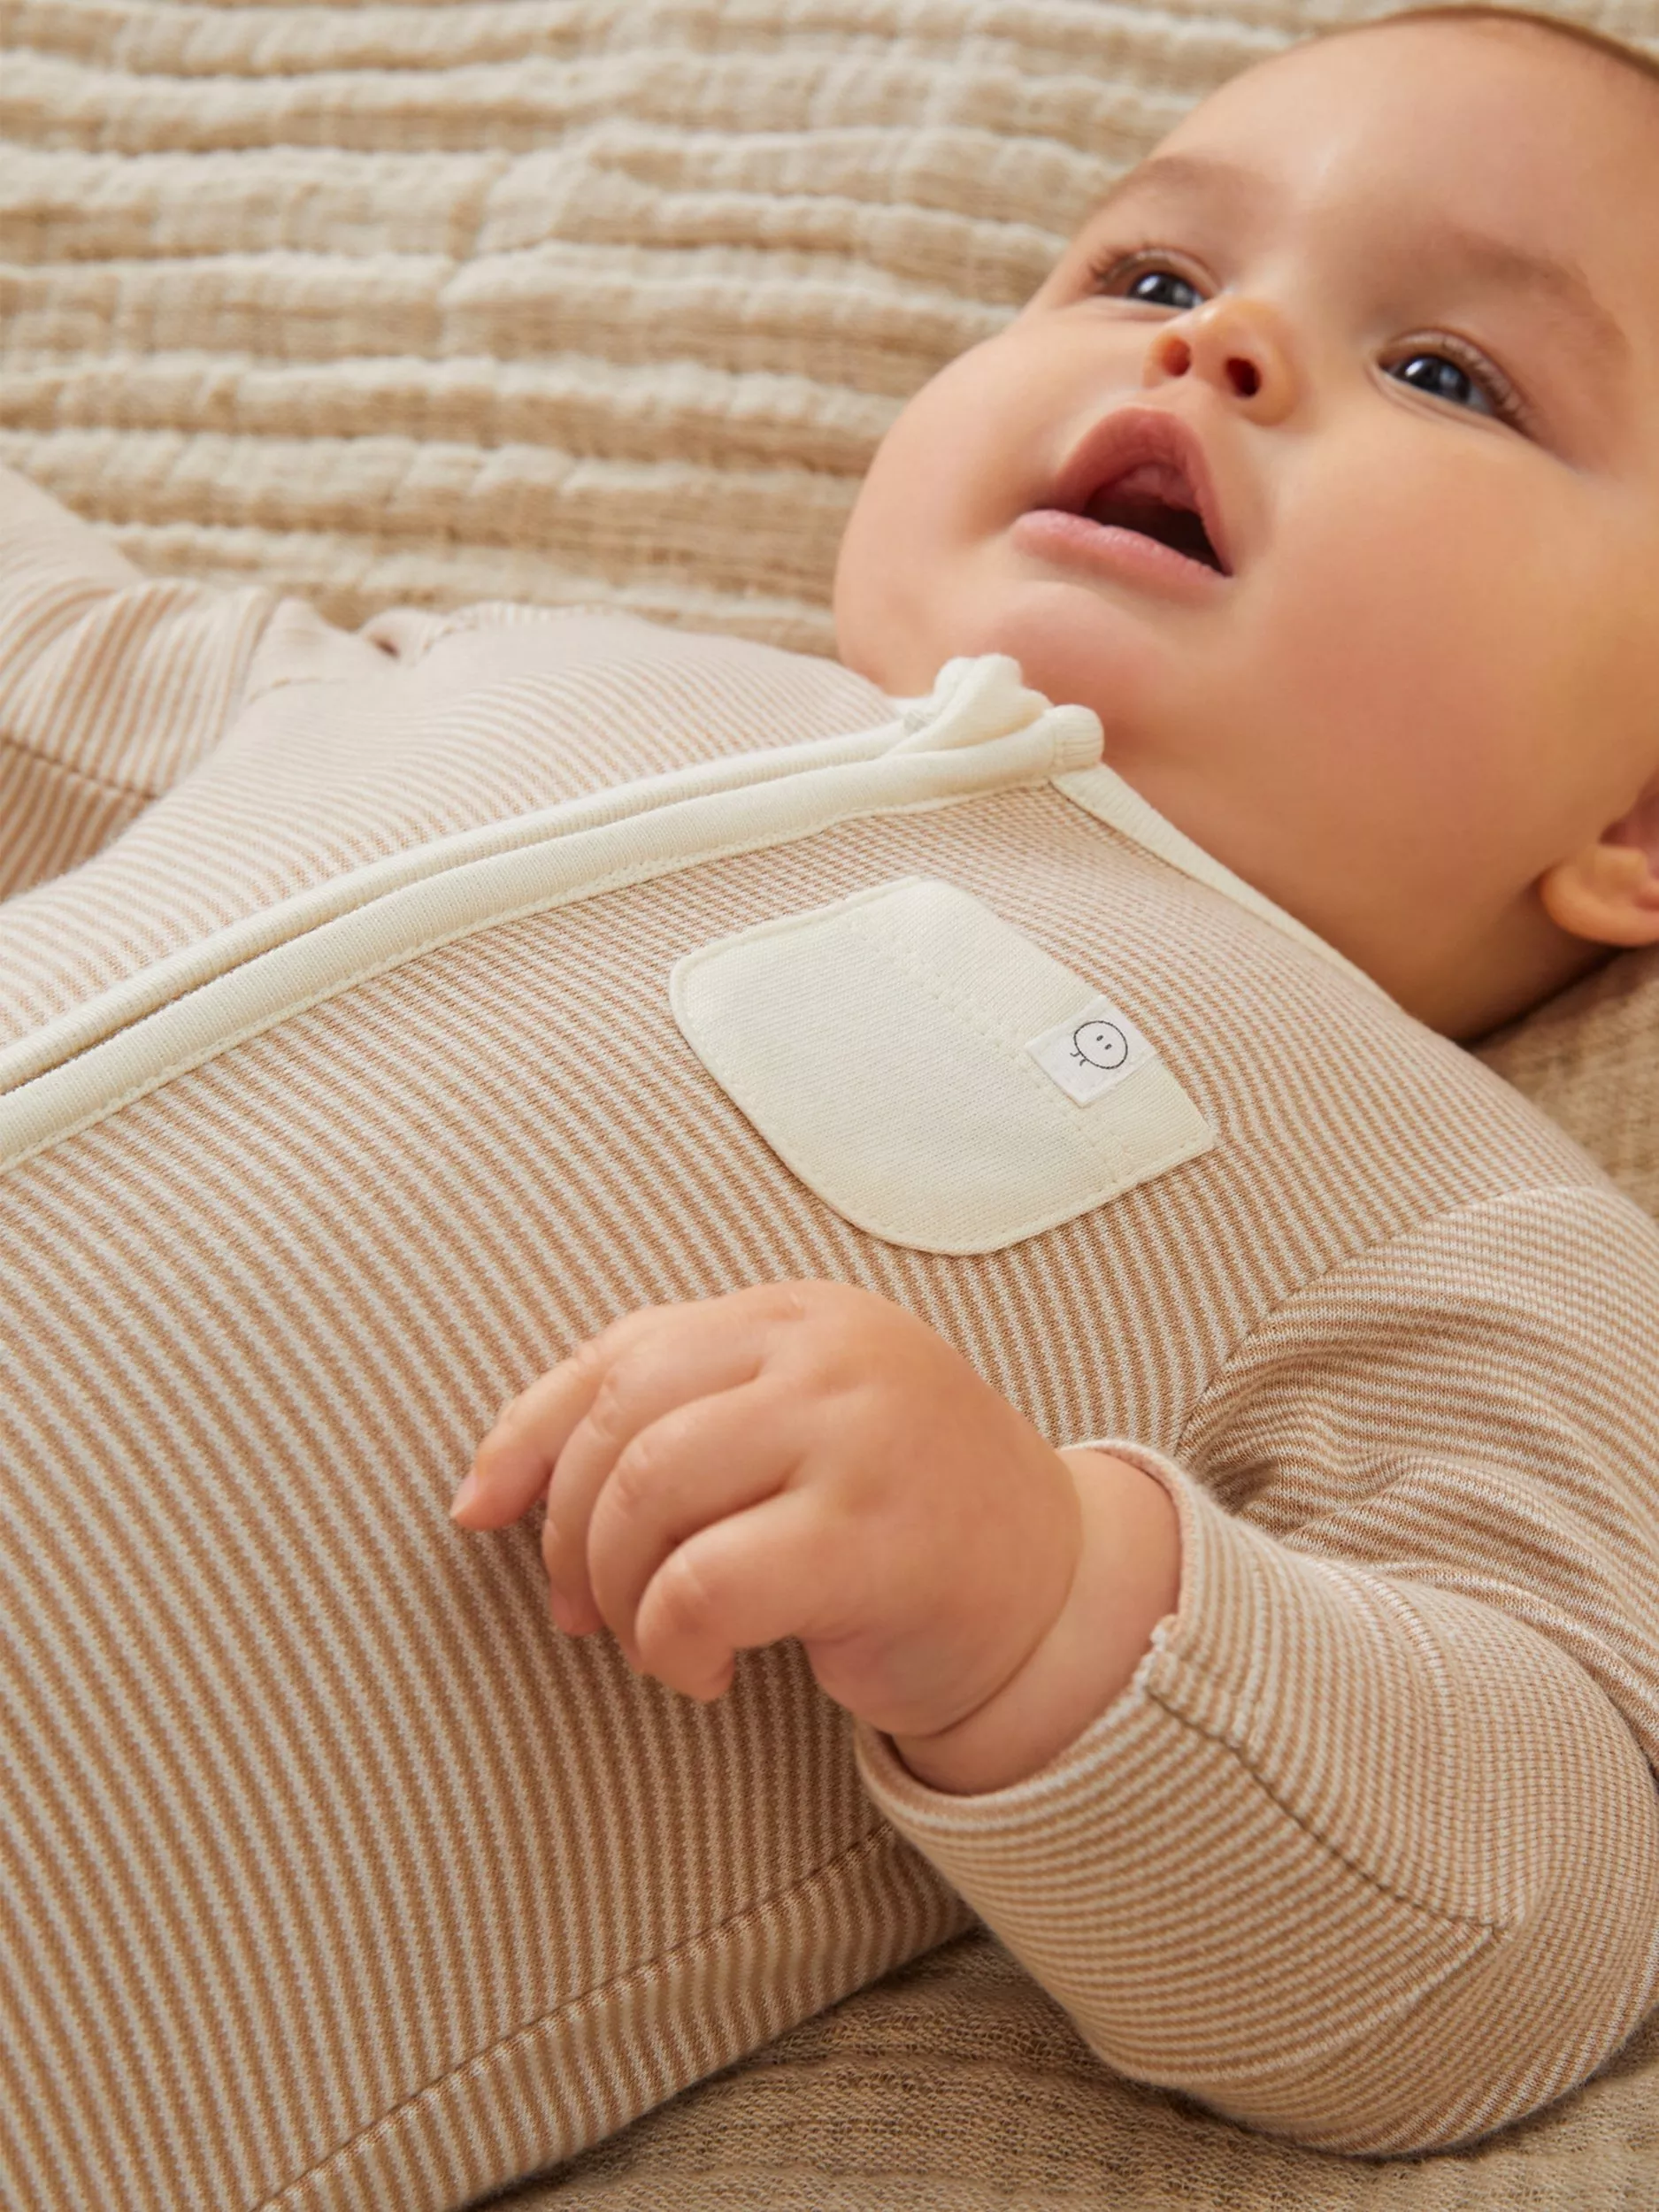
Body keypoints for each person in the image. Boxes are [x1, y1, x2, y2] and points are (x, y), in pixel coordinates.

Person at [3, 4, 1658, 2192]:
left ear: (1637, 814)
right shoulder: (516, 670)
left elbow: (1516, 1927)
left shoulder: (1460, 1213)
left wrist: (1054, 1598)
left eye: (1451, 373)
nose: (1222, 345)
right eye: (1144, 278)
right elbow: (52, 667)